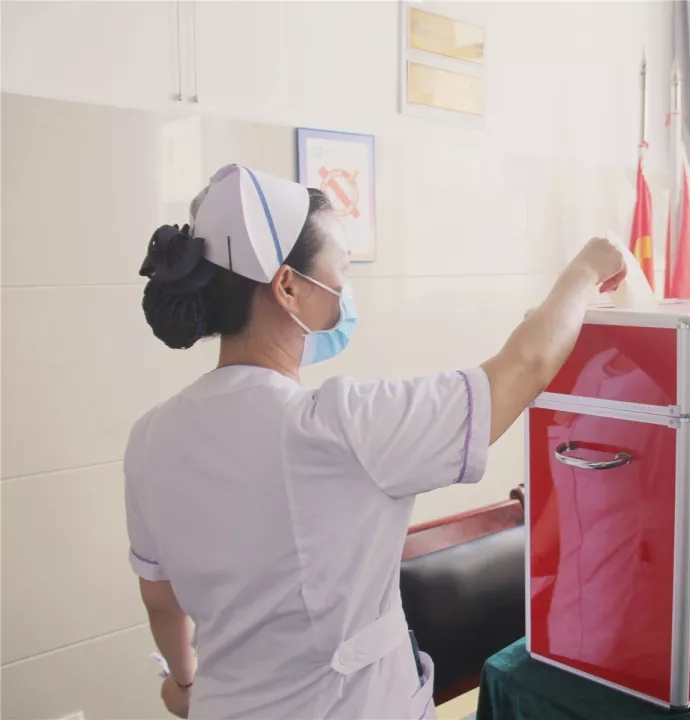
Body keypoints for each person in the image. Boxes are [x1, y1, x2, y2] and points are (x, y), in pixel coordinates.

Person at [126, 164, 626, 719]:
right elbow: (525, 366)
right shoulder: (338, 427)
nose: (345, 287)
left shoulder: (151, 437)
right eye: (339, 268)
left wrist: (184, 682)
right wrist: (585, 270)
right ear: (287, 286)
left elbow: (160, 597)